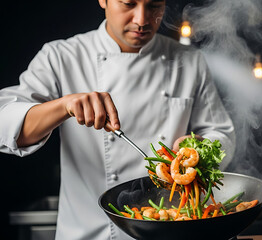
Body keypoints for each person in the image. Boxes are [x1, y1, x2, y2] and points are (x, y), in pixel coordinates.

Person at [0, 0, 235, 239]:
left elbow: (220, 133)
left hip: (165, 229)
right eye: (128, 3)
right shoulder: (61, 56)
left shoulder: (189, 61)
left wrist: (199, 149)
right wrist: (63, 106)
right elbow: (7, 123)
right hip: (89, 233)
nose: (142, 20)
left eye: (154, 5)